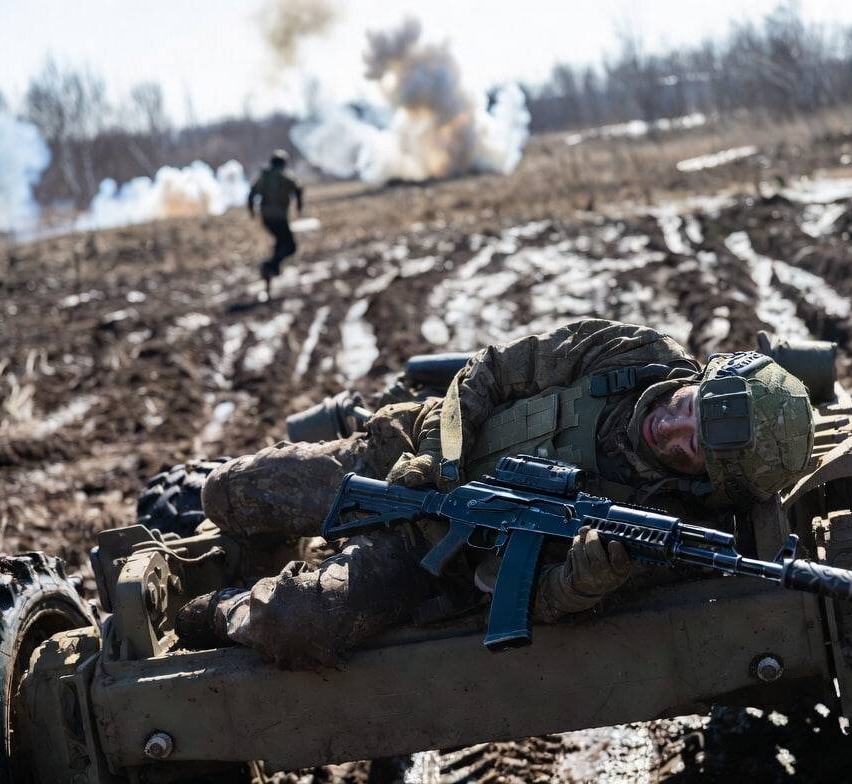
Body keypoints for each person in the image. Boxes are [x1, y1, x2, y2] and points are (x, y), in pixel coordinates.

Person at [176, 319, 816, 668]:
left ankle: (216, 612)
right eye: (691, 407)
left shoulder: (661, 526)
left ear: (704, 480)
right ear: (708, 377)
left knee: (295, 622)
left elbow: (535, 603)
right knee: (224, 493)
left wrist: (584, 580)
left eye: (692, 446)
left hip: (432, 557)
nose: (670, 428)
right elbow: (493, 369)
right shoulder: (634, 355)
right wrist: (439, 460)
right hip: (403, 453)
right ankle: (268, 555)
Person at [247, 149, 303, 299]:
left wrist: (252, 211)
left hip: (266, 218)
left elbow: (252, 193)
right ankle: (269, 266)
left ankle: (271, 276)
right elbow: (298, 188)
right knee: (290, 246)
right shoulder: (284, 175)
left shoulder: (263, 176)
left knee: (280, 243)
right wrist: (299, 207)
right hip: (279, 217)